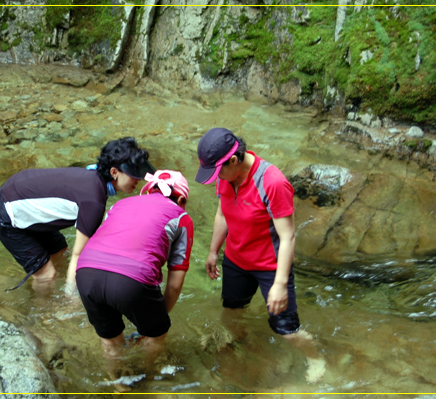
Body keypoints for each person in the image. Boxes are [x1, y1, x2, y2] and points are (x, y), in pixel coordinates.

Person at [195, 127, 325, 383]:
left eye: (217, 171)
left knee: (287, 331)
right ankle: (247, 345)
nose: (215, 178)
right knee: (231, 314)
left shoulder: (272, 182)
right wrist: (213, 251)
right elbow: (222, 213)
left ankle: (316, 356)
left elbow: (288, 237)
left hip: (270, 267)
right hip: (236, 260)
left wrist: (280, 284)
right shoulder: (224, 176)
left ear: (233, 160)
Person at [0, 137, 155, 292]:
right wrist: (71, 298)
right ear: (114, 172)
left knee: (60, 252)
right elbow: (79, 255)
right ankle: (41, 312)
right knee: (46, 275)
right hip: (6, 213)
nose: (138, 181)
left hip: (22, 197)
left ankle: (54, 290)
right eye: (133, 175)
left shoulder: (92, 174)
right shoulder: (93, 201)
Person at [75, 170, 194, 387]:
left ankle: (117, 384)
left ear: (145, 192)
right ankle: (148, 378)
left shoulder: (120, 205)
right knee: (157, 334)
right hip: (131, 279)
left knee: (110, 341)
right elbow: (175, 285)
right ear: (181, 199)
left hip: (85, 272)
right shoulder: (181, 216)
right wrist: (152, 326)